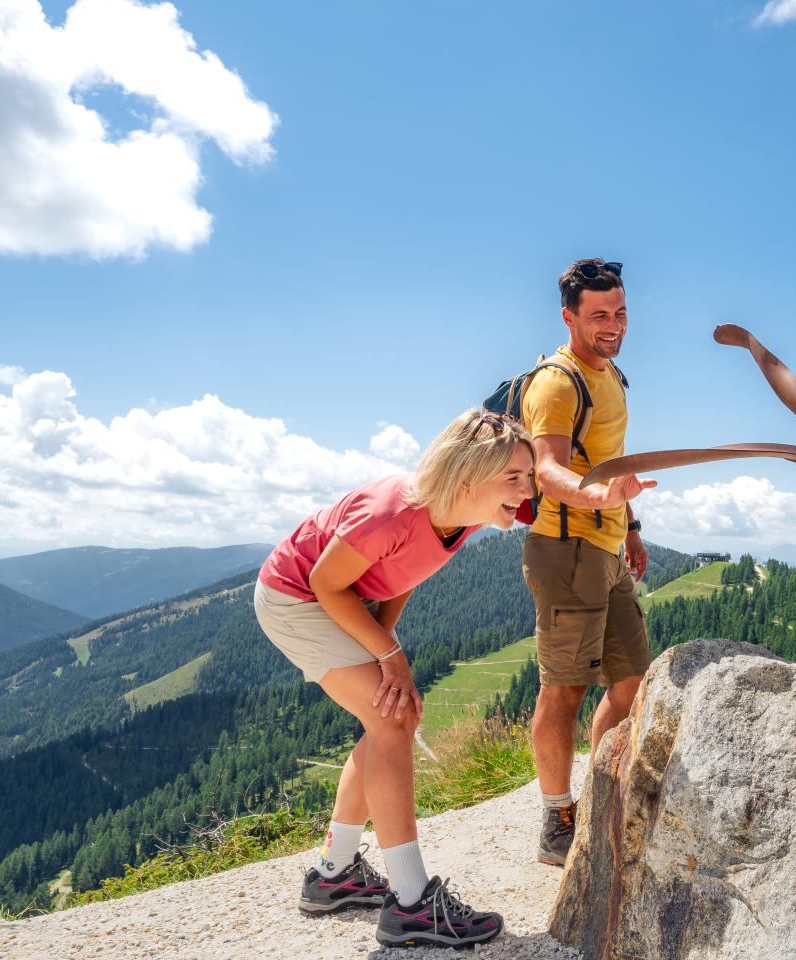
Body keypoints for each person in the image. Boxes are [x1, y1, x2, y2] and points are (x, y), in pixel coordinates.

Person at [253, 408, 534, 949]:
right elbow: (325, 582)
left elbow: (407, 570)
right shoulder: (390, 512)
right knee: (392, 717)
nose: (526, 493)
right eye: (514, 479)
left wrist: (385, 641)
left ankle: (334, 876)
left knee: (387, 719)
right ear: (470, 475)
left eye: (528, 477)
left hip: (343, 597)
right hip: (298, 597)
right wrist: (390, 654)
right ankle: (410, 905)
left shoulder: (463, 512)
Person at [518, 257, 657, 867]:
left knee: (630, 683)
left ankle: (600, 797)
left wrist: (629, 526)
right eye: (599, 314)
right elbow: (547, 470)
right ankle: (556, 820)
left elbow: (610, 457)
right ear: (569, 316)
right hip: (564, 549)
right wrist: (598, 497)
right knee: (564, 689)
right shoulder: (556, 381)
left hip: (605, 547)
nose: (614, 324)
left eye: (620, 311)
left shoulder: (612, 376)